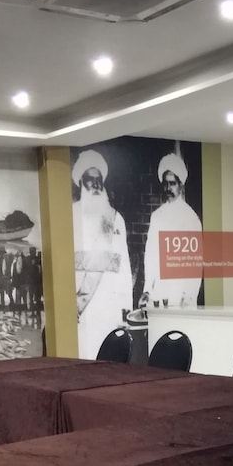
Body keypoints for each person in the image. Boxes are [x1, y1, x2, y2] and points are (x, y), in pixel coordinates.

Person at [71, 149, 133, 359]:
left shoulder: (115, 218)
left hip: (109, 307)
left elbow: (124, 268)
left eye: (99, 180)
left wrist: (126, 308)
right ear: (81, 182)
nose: (96, 185)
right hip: (81, 310)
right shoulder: (68, 216)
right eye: (90, 179)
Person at [142, 152, 203, 308]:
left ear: (180, 185)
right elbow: (150, 255)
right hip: (160, 290)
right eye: (165, 183)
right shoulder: (157, 216)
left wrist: (189, 295)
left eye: (172, 183)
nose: (168, 188)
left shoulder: (191, 218)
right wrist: (147, 289)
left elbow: (195, 263)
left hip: (181, 292)